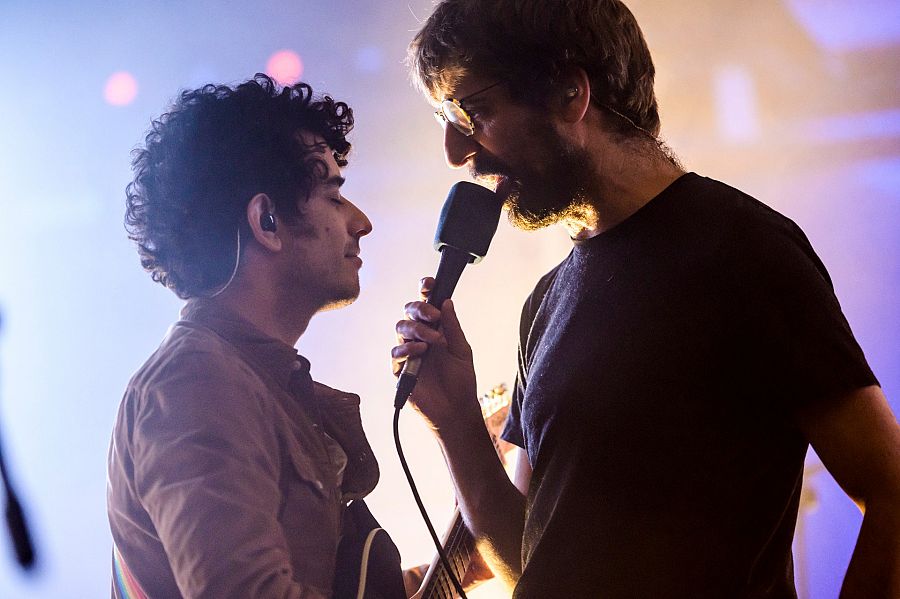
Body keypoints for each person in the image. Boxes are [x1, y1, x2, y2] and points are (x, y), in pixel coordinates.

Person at [392, 1, 900, 597]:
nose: (457, 153)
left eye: (473, 111)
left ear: (569, 95)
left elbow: (890, 490)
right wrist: (456, 425)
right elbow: (534, 560)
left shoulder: (744, 251)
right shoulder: (545, 303)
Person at [107, 75, 382, 598]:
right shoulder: (197, 382)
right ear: (268, 220)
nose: (361, 222)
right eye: (333, 195)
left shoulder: (241, 378)